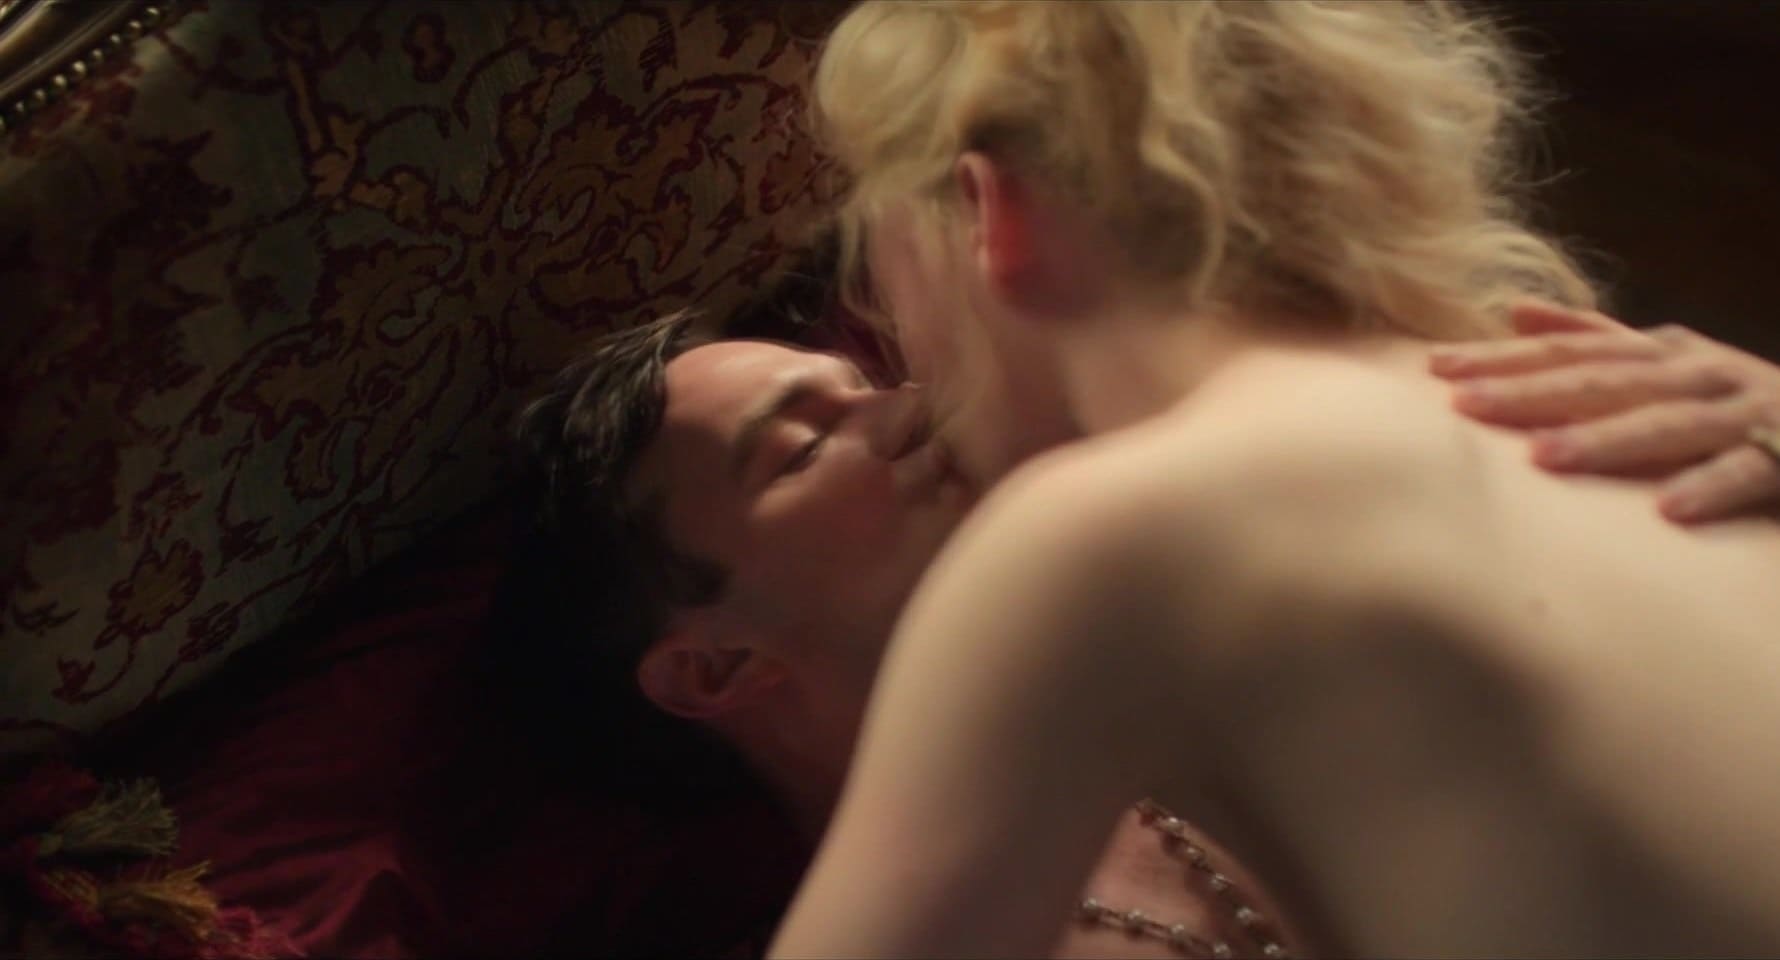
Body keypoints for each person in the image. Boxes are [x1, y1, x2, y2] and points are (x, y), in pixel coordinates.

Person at [766, 2, 1780, 957]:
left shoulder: (1109, 526)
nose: (903, 367)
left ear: (995, 214)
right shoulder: (1626, 414)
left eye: (882, 259)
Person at [505, 275, 1780, 957]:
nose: (902, 408)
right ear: (713, 666)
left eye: (864, 381)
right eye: (801, 446)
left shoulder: (1231, 632)